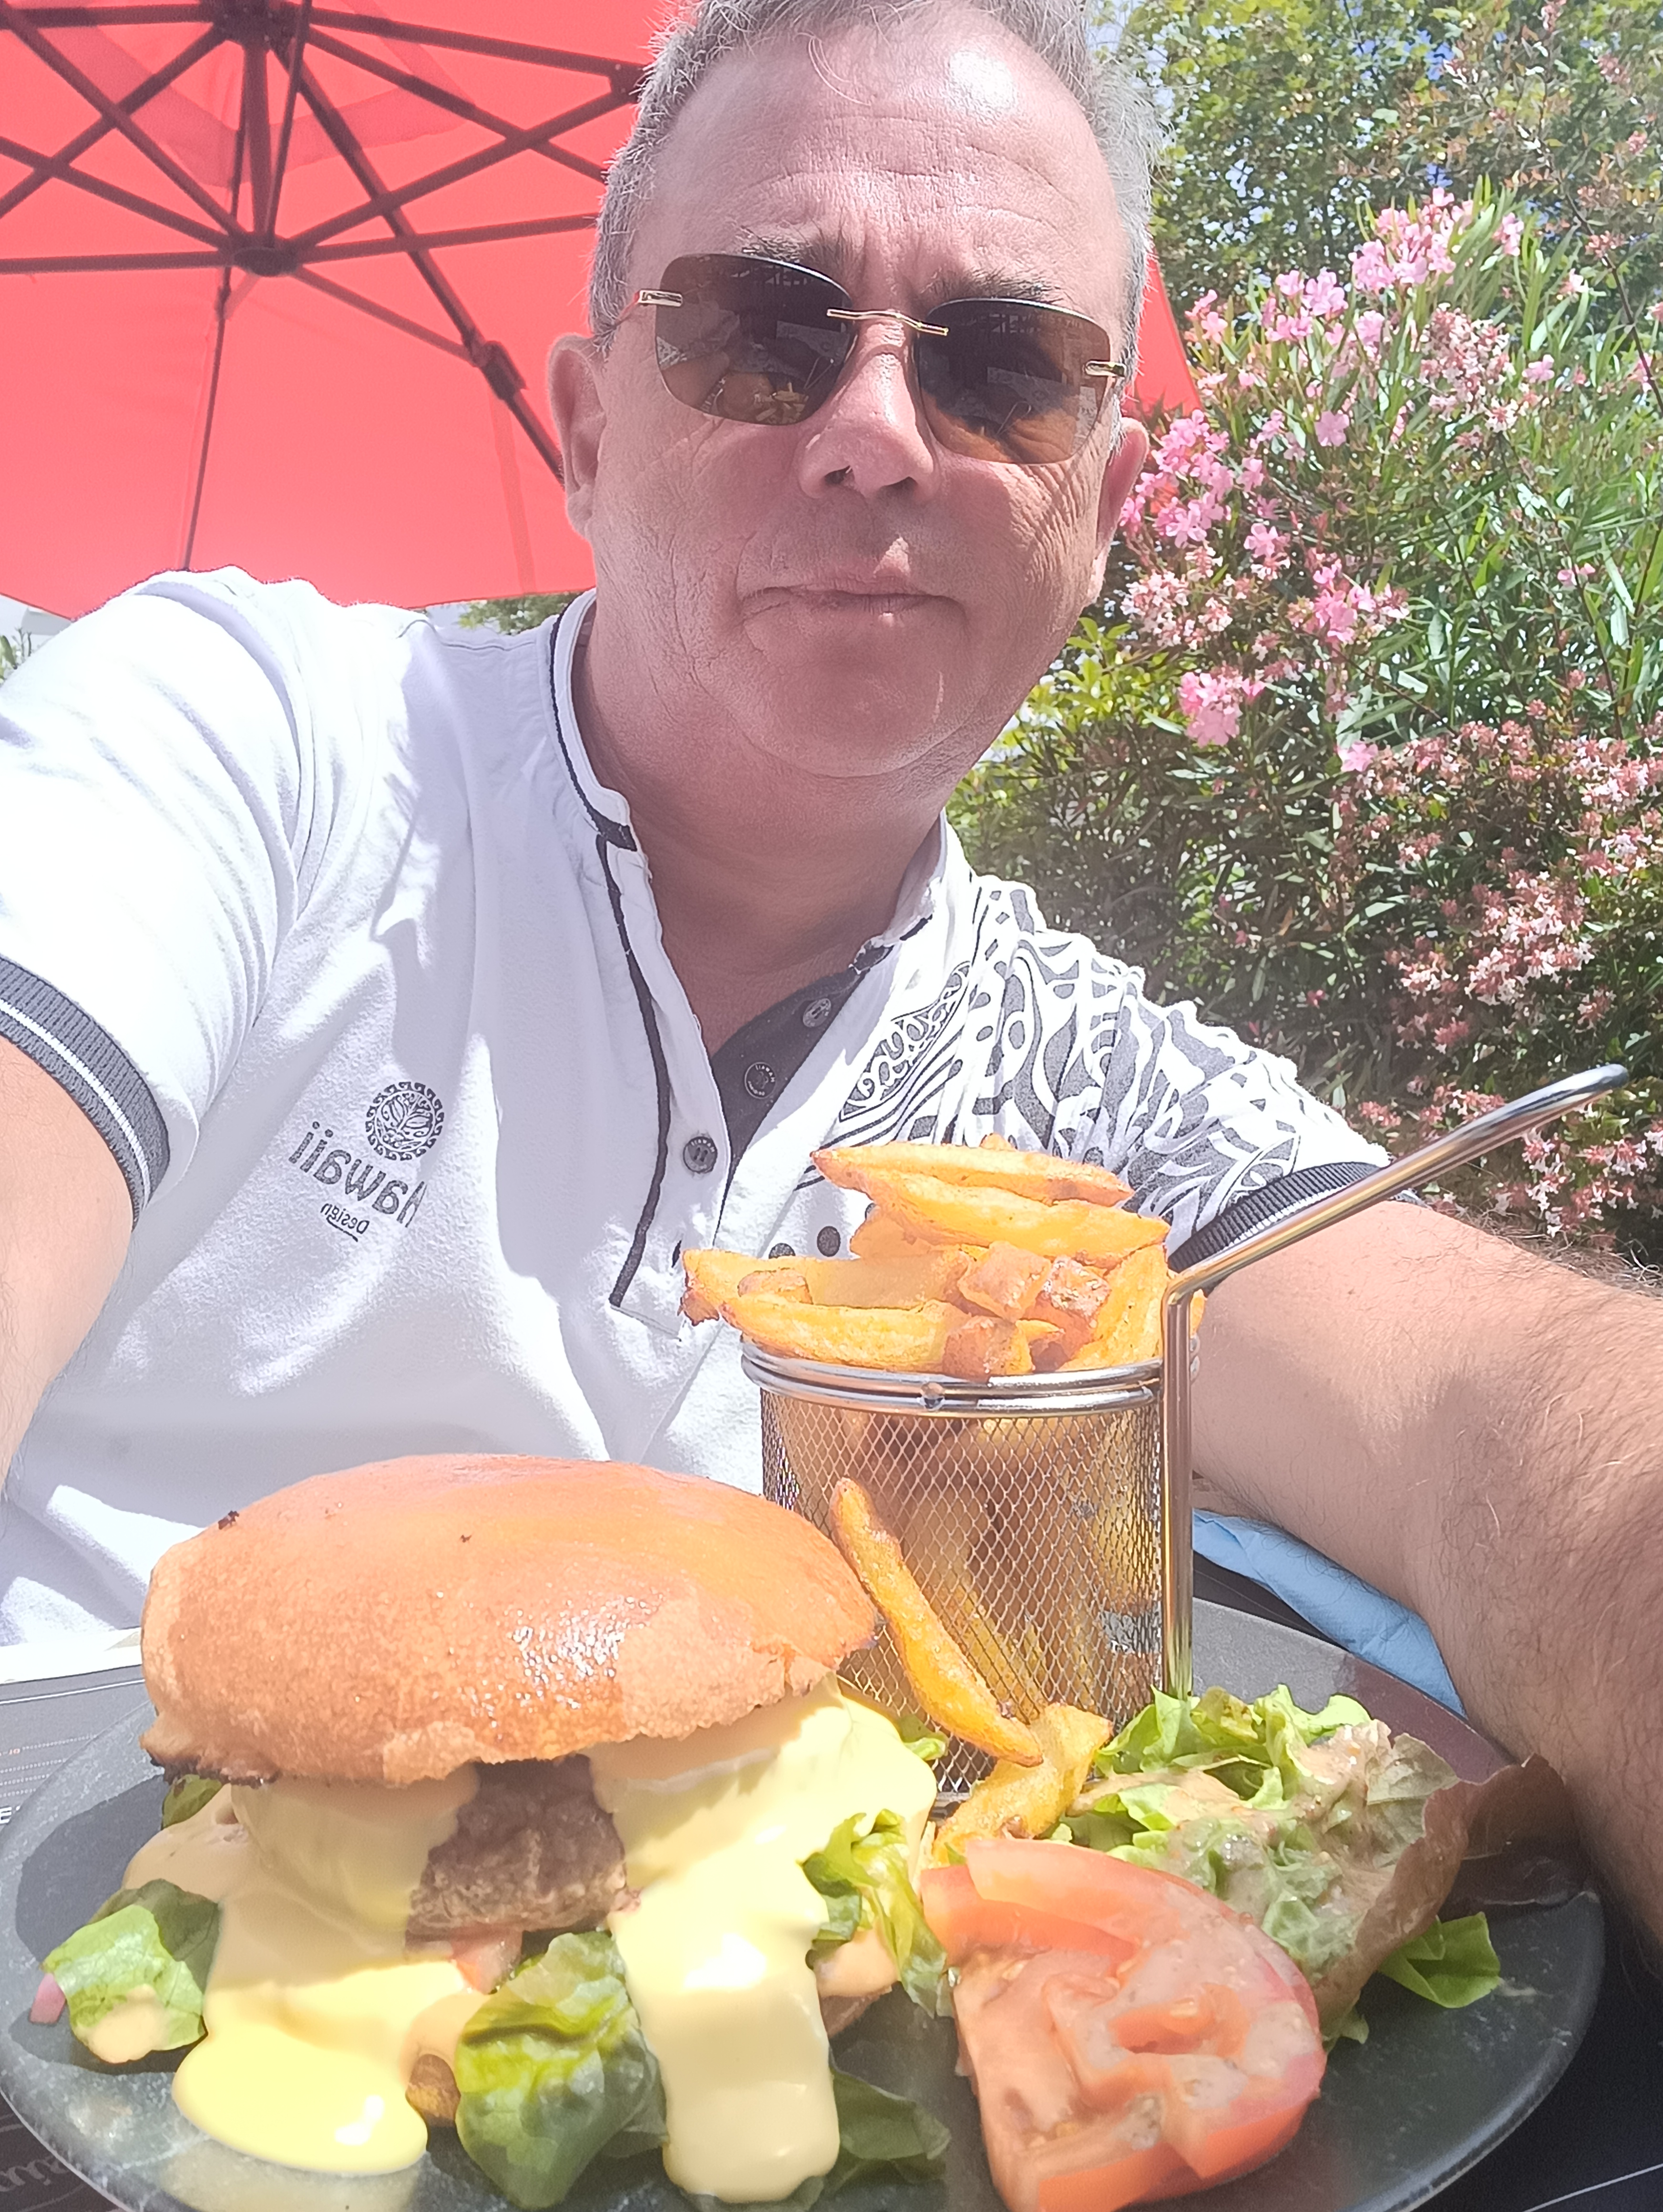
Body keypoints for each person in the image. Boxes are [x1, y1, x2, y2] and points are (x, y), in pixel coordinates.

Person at [1, 0, 1659, 1946]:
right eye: (762, 332)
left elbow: (1493, 1410)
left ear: (1105, 512)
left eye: (1004, 366)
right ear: (587, 429)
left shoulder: (1078, 1098)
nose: (874, 434)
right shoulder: (249, 750)